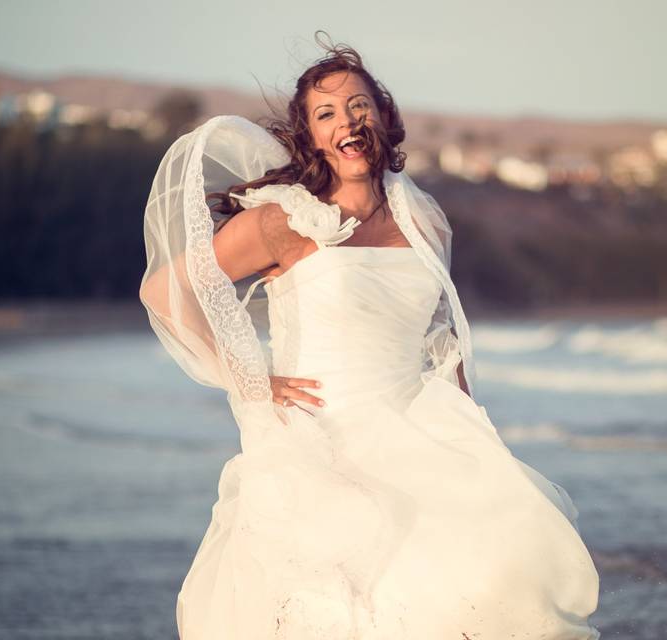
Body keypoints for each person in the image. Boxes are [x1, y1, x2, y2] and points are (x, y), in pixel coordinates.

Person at [140, 33, 600, 640]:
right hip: (320, 442)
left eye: (358, 105)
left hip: (418, 432)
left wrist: (470, 434)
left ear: (382, 117)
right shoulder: (285, 220)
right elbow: (165, 292)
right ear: (311, 137)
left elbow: (444, 336)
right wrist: (249, 378)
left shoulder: (425, 219)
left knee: (470, 587)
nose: (346, 121)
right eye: (325, 113)